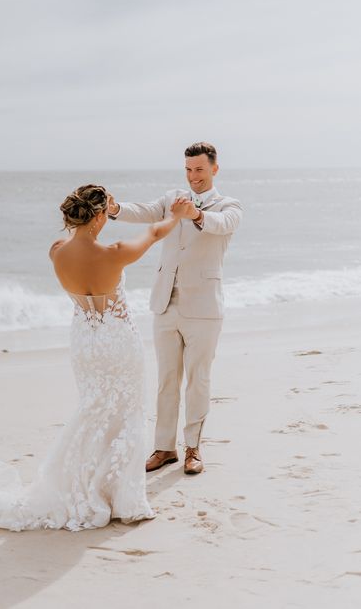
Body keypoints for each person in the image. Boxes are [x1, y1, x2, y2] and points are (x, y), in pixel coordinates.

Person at [0, 184, 186, 531]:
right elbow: (154, 232)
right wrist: (175, 214)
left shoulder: (56, 251)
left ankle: (84, 484)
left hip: (84, 341)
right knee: (126, 413)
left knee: (92, 409)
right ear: (100, 216)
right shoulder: (115, 252)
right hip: (117, 341)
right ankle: (123, 497)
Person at [107, 142, 242, 475]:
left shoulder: (230, 206)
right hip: (165, 303)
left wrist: (194, 214)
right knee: (167, 380)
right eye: (188, 169)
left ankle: (193, 448)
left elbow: (220, 225)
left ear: (214, 169)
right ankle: (164, 447)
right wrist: (114, 208)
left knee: (198, 379)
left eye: (198, 169)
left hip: (204, 308)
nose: (192, 176)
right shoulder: (171, 198)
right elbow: (144, 211)